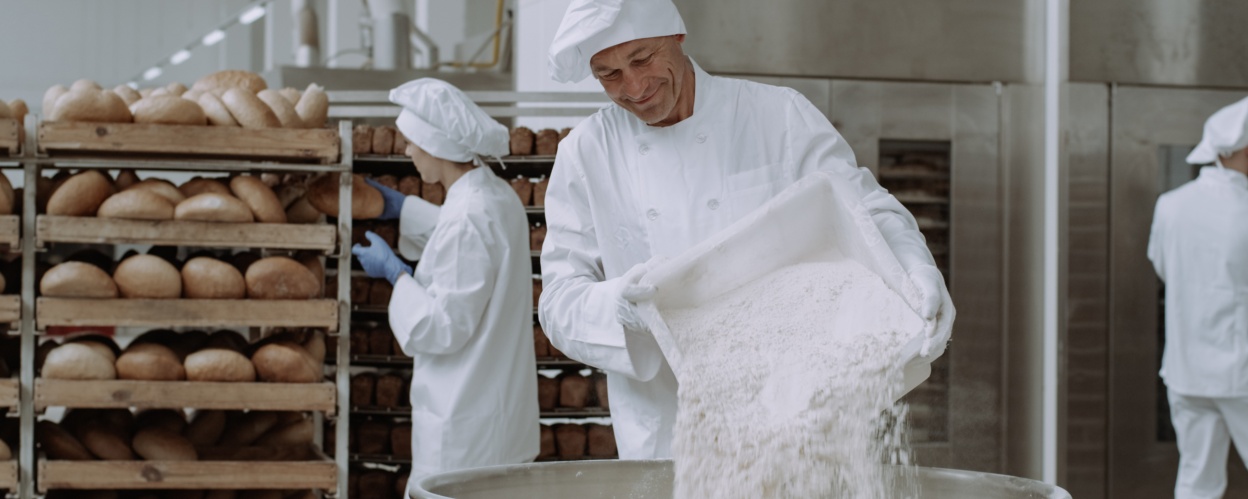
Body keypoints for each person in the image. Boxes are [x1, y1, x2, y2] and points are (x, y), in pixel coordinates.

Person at [538, 0, 954, 459]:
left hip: (797, 410)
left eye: (642, 59)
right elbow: (558, 304)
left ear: (677, 36)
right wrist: (621, 306)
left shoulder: (777, 115)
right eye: (609, 74)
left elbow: (865, 211)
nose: (634, 87)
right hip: (666, 431)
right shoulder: (586, 153)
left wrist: (914, 268)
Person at [350, 78, 539, 489]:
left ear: (434, 146)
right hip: (497, 418)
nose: (407, 152)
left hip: (464, 427)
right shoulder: (496, 195)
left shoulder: (469, 216)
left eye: (412, 143)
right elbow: (463, 245)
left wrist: (396, 274)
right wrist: (401, 208)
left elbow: (440, 328)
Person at [1148, 96, 1248, 499]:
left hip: (1187, 371)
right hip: (1241, 373)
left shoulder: (1171, 205)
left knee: (1197, 482)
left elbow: (1163, 268)